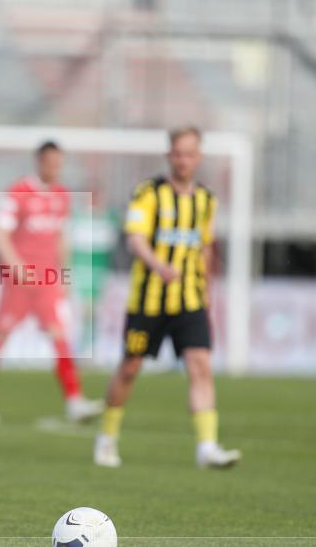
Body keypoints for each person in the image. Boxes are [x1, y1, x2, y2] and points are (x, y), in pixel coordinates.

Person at [93, 126, 241, 469]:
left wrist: (206, 288)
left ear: (198, 157)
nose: (183, 160)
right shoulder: (148, 193)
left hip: (190, 300)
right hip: (148, 300)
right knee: (130, 368)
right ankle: (107, 438)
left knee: (200, 366)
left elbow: (204, 246)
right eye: (178, 154)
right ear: (169, 155)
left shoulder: (206, 200)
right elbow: (135, 238)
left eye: (190, 154)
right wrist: (159, 265)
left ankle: (207, 447)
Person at [0, 141, 102, 427]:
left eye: (59, 163)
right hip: (18, 282)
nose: (55, 168)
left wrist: (64, 273)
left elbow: (61, 237)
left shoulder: (62, 196)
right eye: (51, 162)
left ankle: (75, 400)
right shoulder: (19, 192)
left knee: (59, 335)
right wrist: (16, 265)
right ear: (40, 162)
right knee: (0, 336)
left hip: (47, 281)